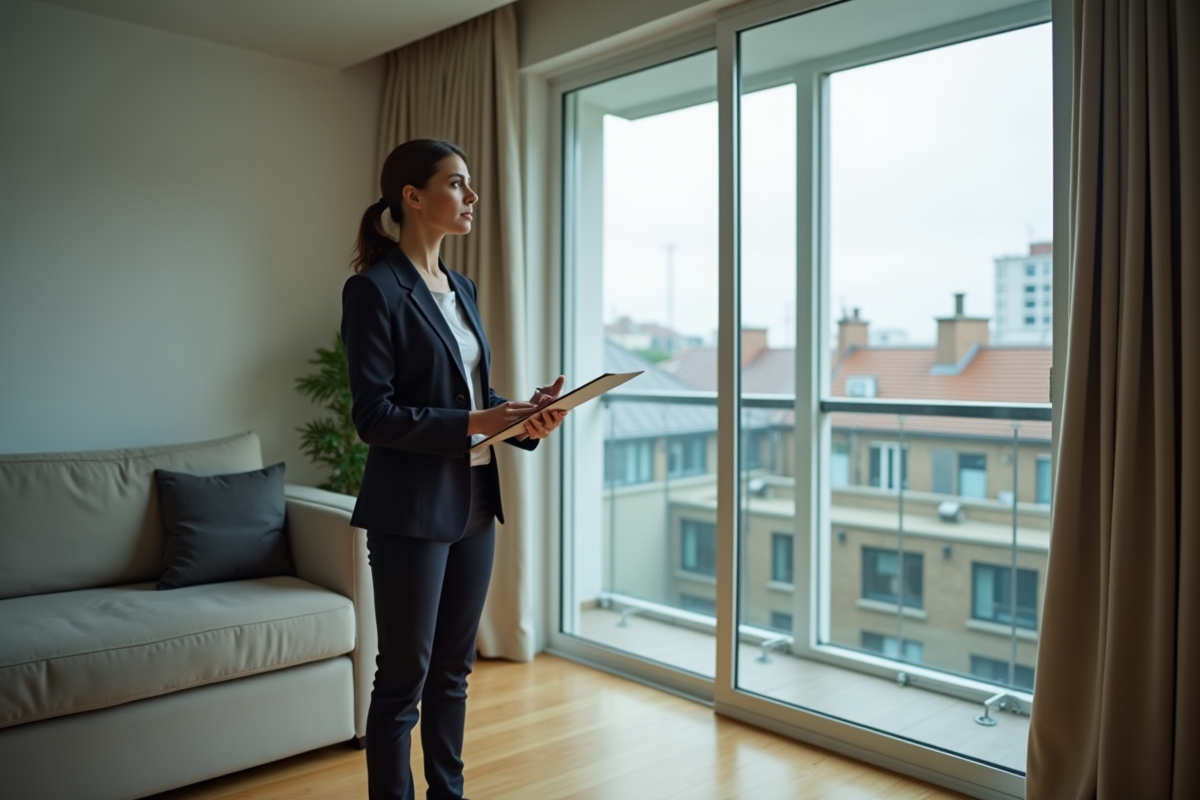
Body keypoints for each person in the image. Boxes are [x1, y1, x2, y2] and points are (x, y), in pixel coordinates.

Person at [341, 138, 566, 800]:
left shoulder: (460, 287)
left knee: (453, 673)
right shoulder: (373, 290)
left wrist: (524, 417)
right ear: (413, 196)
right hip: (410, 509)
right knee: (403, 677)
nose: (471, 198)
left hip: (473, 501)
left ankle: (449, 793)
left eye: (469, 187)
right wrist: (476, 422)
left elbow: (473, 399)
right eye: (458, 184)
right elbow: (374, 416)